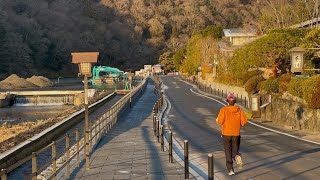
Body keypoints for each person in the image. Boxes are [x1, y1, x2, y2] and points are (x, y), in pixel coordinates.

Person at [216, 93, 247, 176]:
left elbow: (219, 121)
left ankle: (231, 170)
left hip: (226, 134)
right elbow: (244, 122)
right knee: (235, 151)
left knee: (227, 151)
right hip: (236, 134)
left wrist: (218, 120)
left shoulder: (224, 110)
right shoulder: (239, 110)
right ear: (235, 101)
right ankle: (237, 156)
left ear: (227, 101)